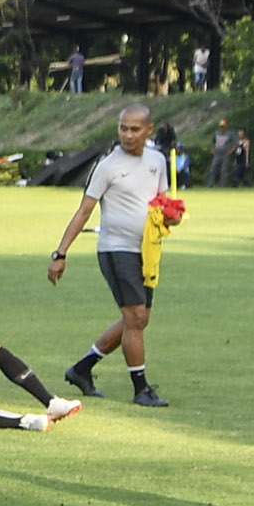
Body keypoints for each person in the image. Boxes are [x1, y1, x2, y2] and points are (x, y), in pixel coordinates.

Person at [47, 102, 175, 406]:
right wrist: (60, 253)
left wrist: (172, 214)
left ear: (148, 130)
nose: (128, 135)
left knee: (138, 320)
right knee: (135, 317)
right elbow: (84, 211)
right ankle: (141, 389)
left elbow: (162, 202)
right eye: (123, 128)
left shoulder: (158, 161)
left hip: (147, 250)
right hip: (116, 250)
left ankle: (82, 369)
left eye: (134, 129)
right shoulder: (107, 166)